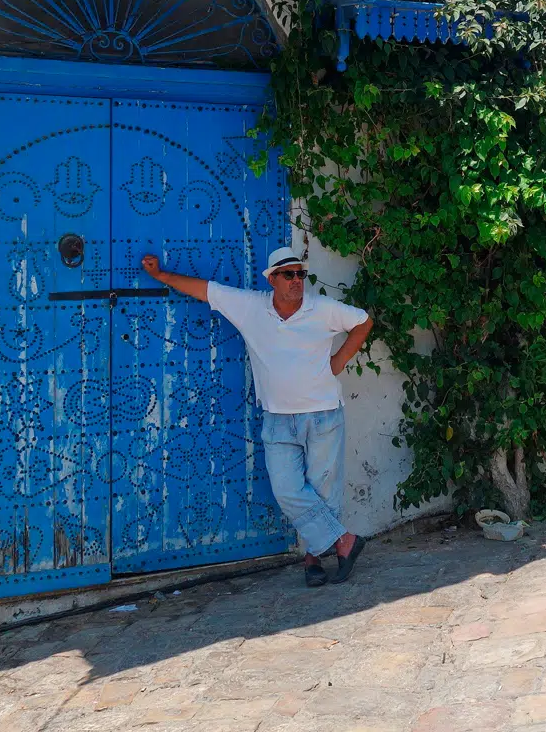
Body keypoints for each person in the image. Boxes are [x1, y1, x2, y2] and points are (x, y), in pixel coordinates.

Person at [142, 246, 374, 588]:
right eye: (288, 274)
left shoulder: (322, 309)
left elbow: (363, 321)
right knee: (287, 489)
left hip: (323, 414)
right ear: (272, 279)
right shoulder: (251, 307)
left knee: (325, 492)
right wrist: (162, 276)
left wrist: (338, 360)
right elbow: (205, 289)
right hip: (278, 419)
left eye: (300, 274)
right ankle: (344, 542)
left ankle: (313, 560)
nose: (297, 280)